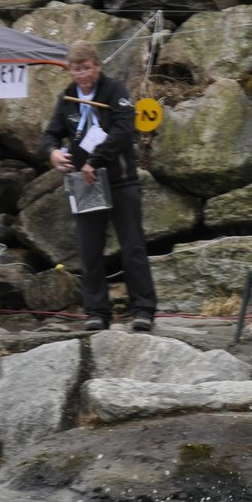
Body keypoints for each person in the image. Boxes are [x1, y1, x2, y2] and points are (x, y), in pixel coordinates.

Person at [39, 41, 157, 332]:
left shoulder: (115, 91)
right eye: (76, 70)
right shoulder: (67, 98)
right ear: (70, 70)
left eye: (87, 68)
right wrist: (53, 152)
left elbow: (123, 128)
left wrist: (97, 159)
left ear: (98, 66)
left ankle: (143, 310)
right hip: (84, 182)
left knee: (132, 247)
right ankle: (96, 311)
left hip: (120, 179)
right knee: (89, 249)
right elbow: (50, 134)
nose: (82, 75)